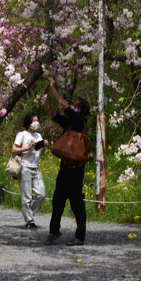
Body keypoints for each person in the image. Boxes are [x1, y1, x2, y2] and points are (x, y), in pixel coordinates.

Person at [44, 80, 92, 246]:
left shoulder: (79, 122)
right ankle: (54, 231)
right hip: (64, 167)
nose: (72, 107)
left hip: (75, 170)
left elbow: (63, 105)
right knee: (57, 199)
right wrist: (46, 98)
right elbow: (53, 114)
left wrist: (54, 89)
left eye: (75, 106)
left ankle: (80, 237)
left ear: (80, 110)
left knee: (76, 202)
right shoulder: (70, 123)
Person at [11, 112, 47, 229]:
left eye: (37, 120)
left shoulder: (38, 135)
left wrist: (43, 145)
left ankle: (28, 213)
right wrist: (27, 147)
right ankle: (30, 221)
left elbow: (40, 153)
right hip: (25, 168)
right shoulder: (22, 134)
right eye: (34, 120)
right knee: (27, 197)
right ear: (28, 122)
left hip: (36, 168)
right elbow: (14, 150)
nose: (36, 122)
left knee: (41, 194)